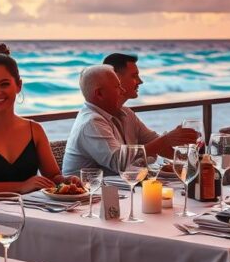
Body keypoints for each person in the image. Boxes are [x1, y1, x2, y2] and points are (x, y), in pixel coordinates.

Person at [0, 44, 74, 200]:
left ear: (18, 86)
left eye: (4, 84)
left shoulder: (34, 129)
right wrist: (21, 186)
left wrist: (67, 181)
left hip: (32, 214)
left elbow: (52, 177)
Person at [62, 60, 197, 176]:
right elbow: (119, 163)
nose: (123, 91)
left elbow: (156, 144)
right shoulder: (91, 122)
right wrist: (166, 140)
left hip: (118, 190)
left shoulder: (125, 113)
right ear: (99, 94)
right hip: (87, 198)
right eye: (117, 87)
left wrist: (192, 161)